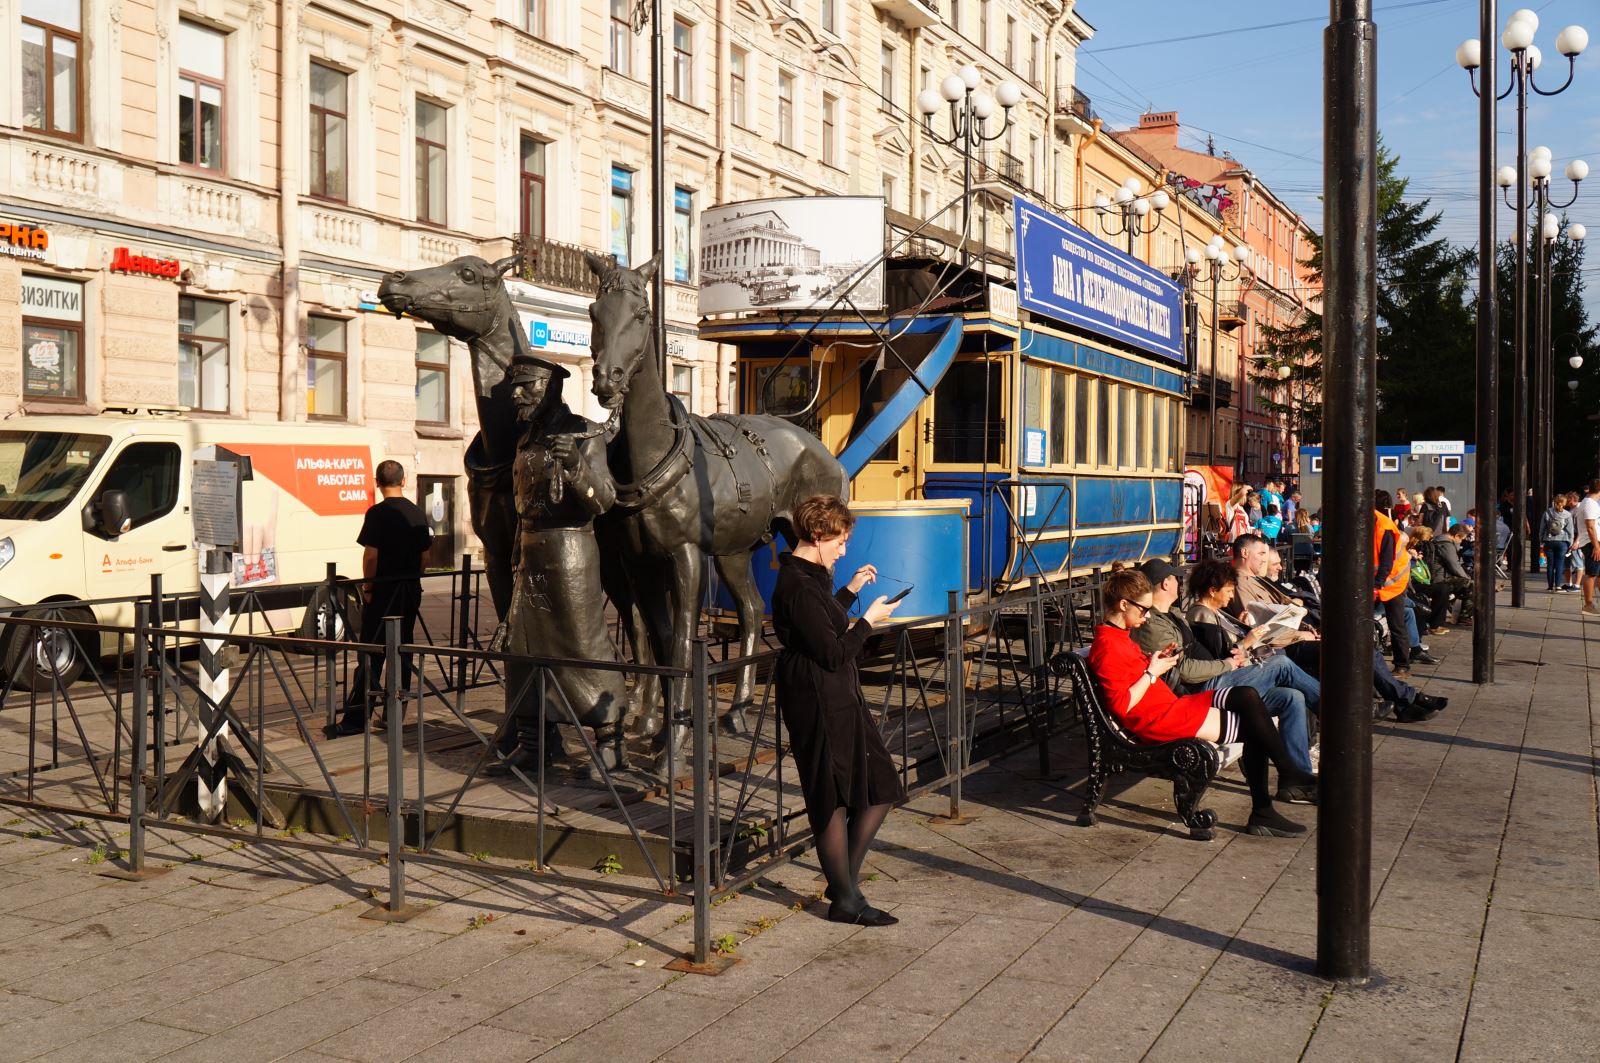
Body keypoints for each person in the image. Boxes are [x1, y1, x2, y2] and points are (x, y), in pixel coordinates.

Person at [1088, 570, 1314, 836]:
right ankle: (1269, 803)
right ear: (1124, 604)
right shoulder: (1107, 646)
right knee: (1255, 725)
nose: (1147, 616)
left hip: (1172, 707)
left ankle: (1284, 781)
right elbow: (1122, 705)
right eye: (1143, 610)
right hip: (1161, 720)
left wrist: (1155, 662)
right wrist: (1152, 672)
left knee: (1246, 696)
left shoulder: (1118, 637)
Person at [489, 354, 628, 777]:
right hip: (531, 550)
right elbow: (522, 505)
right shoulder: (525, 438)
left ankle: (611, 743)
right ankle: (536, 744)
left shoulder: (584, 433)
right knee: (524, 649)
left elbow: (603, 501)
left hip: (570, 553)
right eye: (516, 385)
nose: (517, 394)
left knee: (581, 644)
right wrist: (515, 557)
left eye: (526, 385)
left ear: (550, 387)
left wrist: (575, 464)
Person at [772, 496, 903, 926]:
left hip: (836, 693)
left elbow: (822, 625)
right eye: (840, 542)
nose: (844, 550)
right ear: (816, 535)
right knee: (830, 794)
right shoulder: (797, 582)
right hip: (816, 695)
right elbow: (831, 652)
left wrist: (850, 591)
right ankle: (845, 898)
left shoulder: (812, 577)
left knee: (880, 784)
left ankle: (840, 879)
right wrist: (869, 621)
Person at [1147, 558, 1317, 788]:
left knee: (1291, 697)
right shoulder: (1179, 619)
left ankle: (1298, 779)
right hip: (1205, 690)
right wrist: (1235, 656)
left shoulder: (1176, 614)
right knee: (1281, 665)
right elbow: (1187, 668)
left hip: (1221, 679)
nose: (1179, 583)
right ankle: (1338, 712)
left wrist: (1241, 643)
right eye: (1174, 579)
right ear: (1165, 584)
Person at [329, 459, 432, 737]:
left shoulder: (376, 513)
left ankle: (355, 719)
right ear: (404, 480)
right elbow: (425, 555)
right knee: (402, 652)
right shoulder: (417, 512)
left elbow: (371, 555)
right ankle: (394, 715)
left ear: (377, 482)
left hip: (384, 592)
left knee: (372, 653)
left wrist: (369, 588)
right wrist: (413, 578)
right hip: (409, 592)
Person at [1373, 490, 1413, 675]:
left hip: (1392, 582)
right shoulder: (1377, 522)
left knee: (1396, 623)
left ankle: (1402, 664)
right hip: (1383, 580)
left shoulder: (1384, 526)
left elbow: (1387, 561)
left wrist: (1377, 584)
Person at [1573, 480, 1600, 617]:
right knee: (1592, 574)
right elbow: (1590, 526)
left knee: (1597, 573)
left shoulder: (1588, 503)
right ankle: (1588, 605)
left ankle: (1590, 604)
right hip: (1592, 543)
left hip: (1592, 542)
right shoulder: (1590, 504)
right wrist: (1596, 546)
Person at [1540, 493, 1575, 593]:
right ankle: (1558, 586)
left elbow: (1542, 528)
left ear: (1555, 502)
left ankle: (1550, 586)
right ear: (1564, 503)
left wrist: (1542, 540)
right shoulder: (1568, 514)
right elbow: (1570, 530)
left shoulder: (1547, 512)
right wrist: (1570, 542)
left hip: (1549, 541)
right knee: (1560, 564)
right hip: (1563, 542)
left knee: (1550, 564)